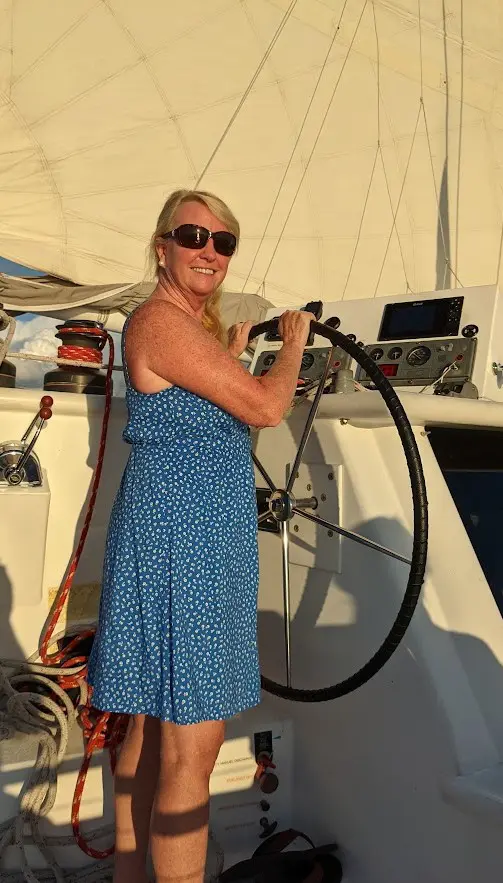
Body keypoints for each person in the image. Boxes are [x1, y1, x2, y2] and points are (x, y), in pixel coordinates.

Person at [87, 189, 315, 883]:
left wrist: (229, 352)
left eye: (223, 241)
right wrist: (295, 344)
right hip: (185, 550)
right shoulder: (159, 321)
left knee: (154, 729)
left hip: (172, 541)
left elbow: (194, 398)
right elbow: (267, 407)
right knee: (195, 745)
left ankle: (131, 876)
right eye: (193, 235)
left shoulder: (172, 328)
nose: (209, 251)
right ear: (162, 246)